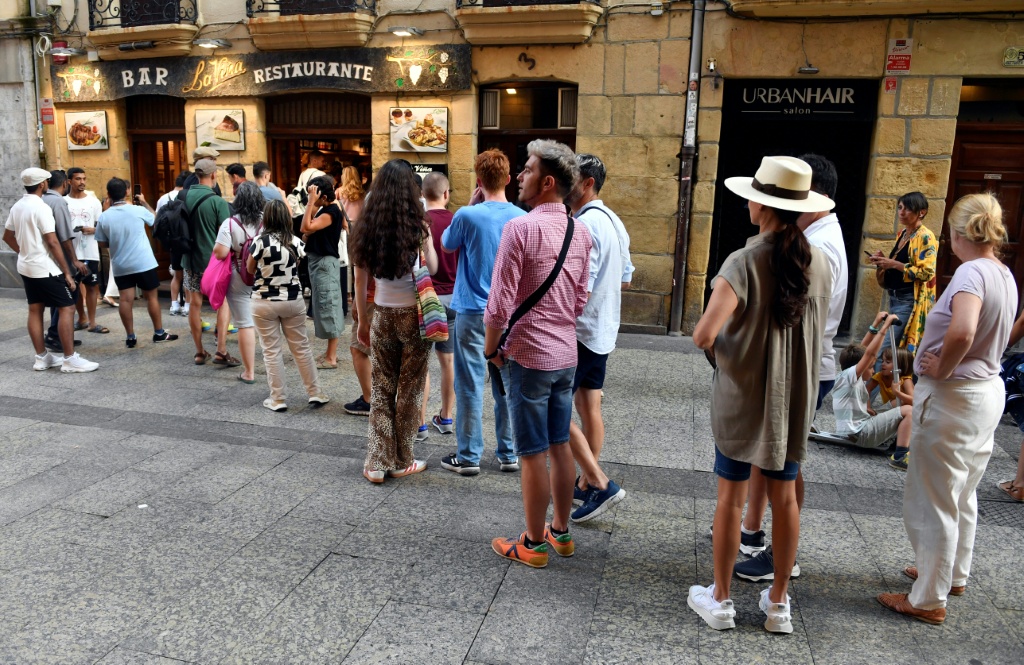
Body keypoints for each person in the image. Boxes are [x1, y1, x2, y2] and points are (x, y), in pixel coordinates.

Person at [689, 156, 832, 634]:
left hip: (744, 399)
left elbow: (704, 333)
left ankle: (721, 599)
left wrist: (727, 356)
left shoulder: (743, 261)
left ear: (762, 205)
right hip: (793, 401)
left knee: (730, 498)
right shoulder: (819, 262)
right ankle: (778, 604)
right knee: (784, 497)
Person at [878, 192, 1017, 625]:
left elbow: (962, 330)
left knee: (933, 497)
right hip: (984, 390)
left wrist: (943, 365)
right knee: (962, 491)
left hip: (955, 395)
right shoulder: (1003, 273)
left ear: (957, 233)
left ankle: (927, 598)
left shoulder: (971, 272)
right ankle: (951, 573)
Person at [733, 154, 846, 580]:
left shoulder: (819, 247)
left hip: (801, 367)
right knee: (775, 458)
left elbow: (800, 320)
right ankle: (754, 533)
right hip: (801, 365)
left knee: (786, 463)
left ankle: (783, 557)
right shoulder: (813, 238)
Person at [487, 140, 592, 569]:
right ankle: (560, 532)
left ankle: (532, 542)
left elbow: (499, 305)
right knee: (559, 443)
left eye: (527, 169)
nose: (519, 176)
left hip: (529, 355)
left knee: (531, 452)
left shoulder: (520, 229)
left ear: (547, 182)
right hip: (565, 354)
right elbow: (580, 298)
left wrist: (491, 349)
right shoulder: (580, 232)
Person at [352, 159, 437, 483]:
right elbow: (433, 267)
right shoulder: (419, 226)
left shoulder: (367, 227)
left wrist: (362, 321)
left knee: (382, 387)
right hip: (415, 316)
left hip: (383, 313)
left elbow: (360, 281)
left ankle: (377, 462)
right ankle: (402, 460)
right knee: (410, 390)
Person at [439, 150, 521, 475]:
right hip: (510, 312)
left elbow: (447, 244)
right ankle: (509, 453)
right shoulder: (521, 217)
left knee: (470, 382)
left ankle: (469, 455)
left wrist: (471, 205)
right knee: (507, 383)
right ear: (508, 179)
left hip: (473, 310)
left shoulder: (467, 215)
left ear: (478, 180)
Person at [565, 153, 630, 523]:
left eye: (570, 178)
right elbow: (625, 278)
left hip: (580, 332)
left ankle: (599, 482)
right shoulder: (613, 220)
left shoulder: (584, 225)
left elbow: (580, 291)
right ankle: (587, 482)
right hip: (602, 330)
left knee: (554, 409)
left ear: (588, 183)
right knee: (589, 406)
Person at [3, 168, 98, 373]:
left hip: (26, 265)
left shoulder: (18, 206)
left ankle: (41, 357)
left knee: (35, 309)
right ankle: (69, 359)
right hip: (44, 267)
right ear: (42, 184)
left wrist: (24, 251)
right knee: (67, 307)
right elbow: (53, 241)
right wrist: (67, 272)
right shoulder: (41, 207)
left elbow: (7, 236)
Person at [247, 200, 329, 411]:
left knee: (271, 351)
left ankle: (278, 399)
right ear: (286, 219)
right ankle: (315, 393)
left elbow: (249, 269)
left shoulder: (259, 241)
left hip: (264, 301)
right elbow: (298, 265)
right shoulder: (295, 242)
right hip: (292, 300)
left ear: (266, 219)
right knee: (301, 347)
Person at [95, 178, 178, 348]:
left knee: (125, 300)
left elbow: (102, 243)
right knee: (151, 297)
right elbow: (156, 220)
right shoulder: (138, 210)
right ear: (127, 192)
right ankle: (159, 333)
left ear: (109, 194)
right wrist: (145, 202)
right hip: (143, 261)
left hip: (121, 264)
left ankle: (130, 337)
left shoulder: (104, 216)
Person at [821, 313, 913, 463]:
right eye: (870, 367)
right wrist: (885, 327)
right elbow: (869, 353)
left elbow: (862, 350)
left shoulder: (847, 377)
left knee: (899, 403)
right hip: (861, 433)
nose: (873, 371)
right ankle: (900, 456)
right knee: (909, 410)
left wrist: (875, 323)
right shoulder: (850, 377)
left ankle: (899, 438)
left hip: (859, 430)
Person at [868, 191, 937, 354]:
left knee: (884, 350)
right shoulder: (903, 233)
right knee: (893, 351)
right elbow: (901, 264)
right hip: (894, 297)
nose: (902, 212)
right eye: (899, 207)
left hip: (909, 301)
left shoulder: (925, 237)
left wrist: (894, 263)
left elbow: (927, 273)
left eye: (908, 208)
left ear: (921, 212)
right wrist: (884, 261)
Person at [184, 158, 235, 367]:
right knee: (222, 303)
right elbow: (227, 233)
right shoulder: (217, 202)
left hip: (190, 260)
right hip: (214, 262)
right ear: (213, 175)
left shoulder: (183, 196)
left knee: (194, 304)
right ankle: (221, 350)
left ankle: (199, 352)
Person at [213, 181, 264, 384]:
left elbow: (220, 252)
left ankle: (249, 372)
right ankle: (275, 369)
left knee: (245, 324)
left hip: (239, 276)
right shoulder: (267, 221)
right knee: (270, 323)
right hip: (266, 274)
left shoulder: (230, 223)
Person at [421, 172, 458, 438]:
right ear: (446, 194)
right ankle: (446, 417)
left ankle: (420, 422)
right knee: (448, 361)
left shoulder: (418, 221)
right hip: (454, 297)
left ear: (423, 194)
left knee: (421, 362)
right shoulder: (457, 220)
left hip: (425, 298)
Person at [300, 174, 345, 369]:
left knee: (329, 307)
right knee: (324, 306)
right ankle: (329, 353)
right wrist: (313, 204)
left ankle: (331, 357)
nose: (310, 197)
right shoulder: (325, 209)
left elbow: (305, 227)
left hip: (325, 264)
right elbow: (305, 232)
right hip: (320, 263)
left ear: (323, 197)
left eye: (314, 194)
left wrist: (311, 203)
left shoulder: (331, 211)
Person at [41, 169, 87, 353]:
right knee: (68, 297)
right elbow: (64, 236)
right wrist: (74, 261)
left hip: (45, 258)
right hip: (60, 257)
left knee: (56, 298)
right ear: (65, 183)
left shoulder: (41, 199)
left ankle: (60, 335)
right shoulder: (58, 201)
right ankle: (55, 334)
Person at [65, 167, 106, 335]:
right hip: (71, 252)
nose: (82, 182)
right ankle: (81, 318)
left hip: (90, 250)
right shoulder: (64, 202)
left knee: (91, 286)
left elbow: (101, 226)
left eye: (84, 179)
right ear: (69, 181)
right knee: (73, 287)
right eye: (78, 179)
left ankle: (92, 322)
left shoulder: (93, 202)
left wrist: (93, 230)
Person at [157, 170, 192, 318]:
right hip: (186, 241)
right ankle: (187, 306)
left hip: (173, 242)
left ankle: (174, 304)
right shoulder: (187, 197)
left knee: (177, 275)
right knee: (188, 275)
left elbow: (157, 220)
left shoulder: (164, 198)